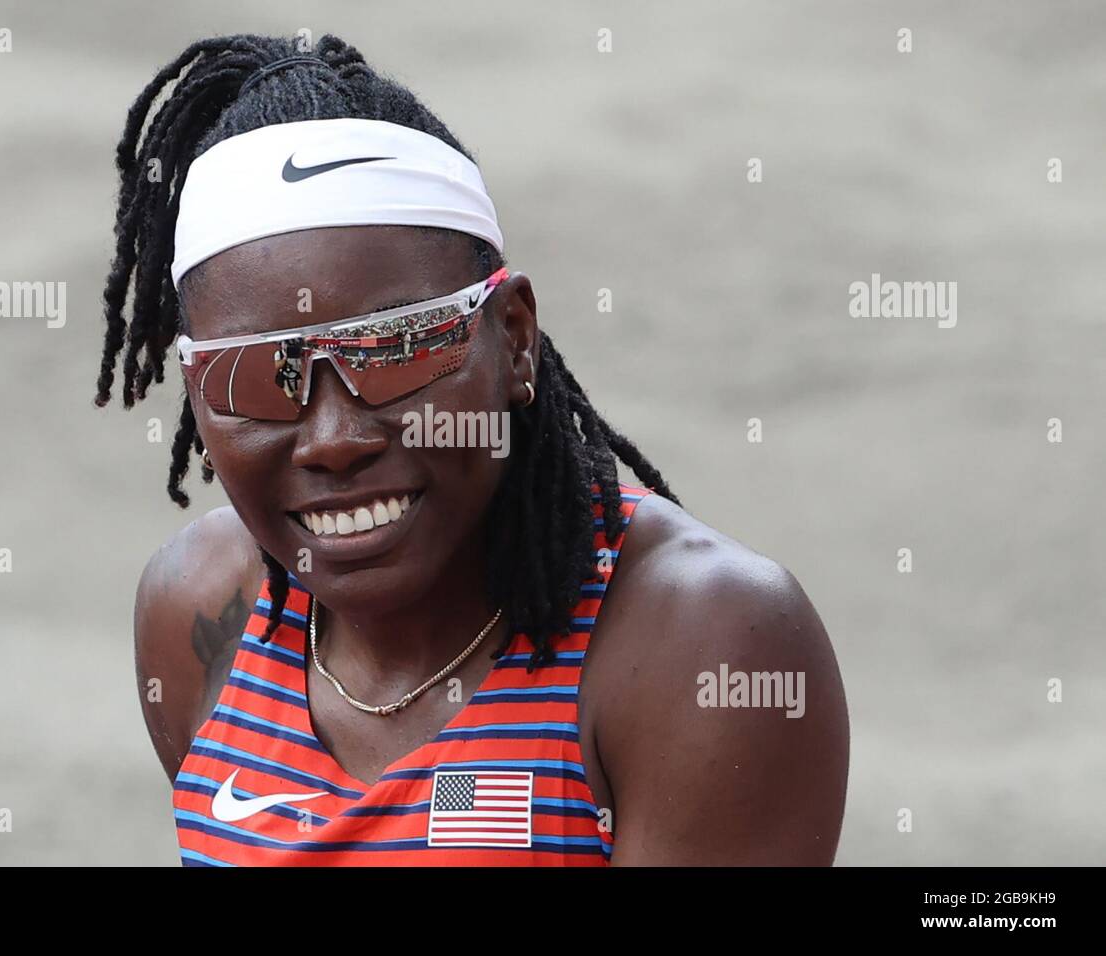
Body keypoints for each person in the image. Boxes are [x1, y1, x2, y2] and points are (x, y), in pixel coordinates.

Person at [94, 33, 849, 866]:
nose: (335, 438)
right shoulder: (198, 612)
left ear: (514, 338)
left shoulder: (700, 645)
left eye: (399, 349)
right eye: (258, 377)